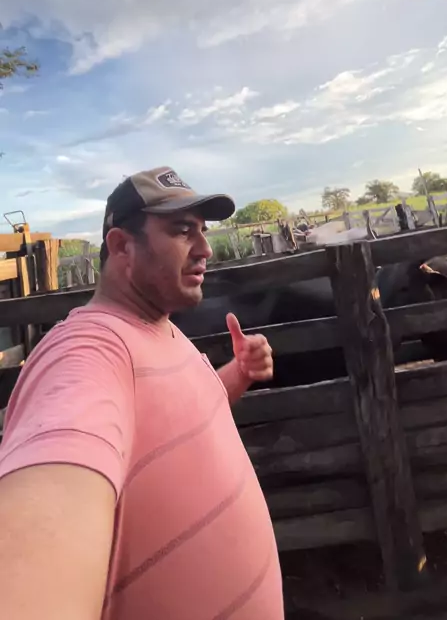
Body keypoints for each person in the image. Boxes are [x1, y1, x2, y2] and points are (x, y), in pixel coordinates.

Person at [0, 166, 284, 620]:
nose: (205, 248)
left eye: (202, 230)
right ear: (121, 246)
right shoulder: (87, 352)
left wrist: (238, 374)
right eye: (182, 231)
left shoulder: (159, 328)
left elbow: (180, 417)